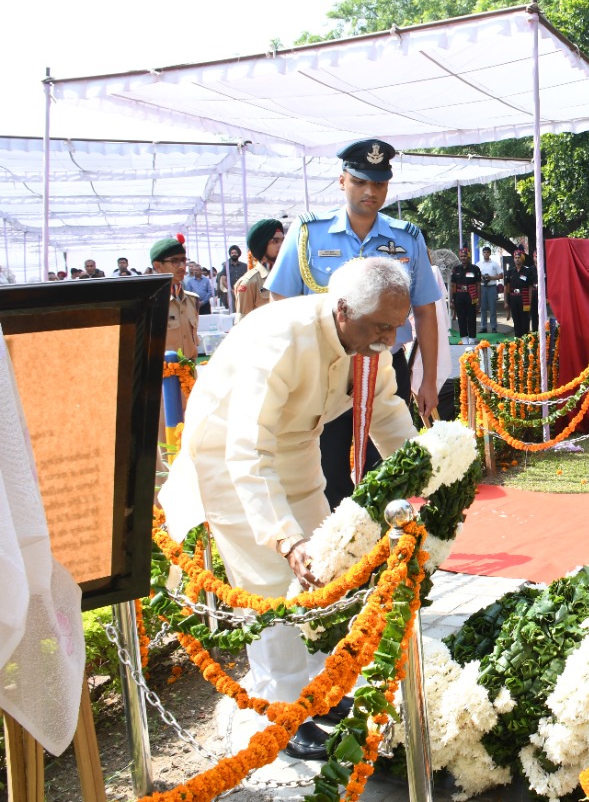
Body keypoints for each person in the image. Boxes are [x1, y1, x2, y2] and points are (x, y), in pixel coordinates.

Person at [158, 258, 420, 761]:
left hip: (298, 452)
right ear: (343, 310)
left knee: (322, 573)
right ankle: (279, 714)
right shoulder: (282, 336)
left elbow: (387, 413)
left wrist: (427, 482)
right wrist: (284, 537)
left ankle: (321, 694)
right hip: (231, 464)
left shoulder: (370, 340)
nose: (390, 338)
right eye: (382, 327)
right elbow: (247, 451)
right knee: (270, 587)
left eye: (396, 326)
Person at [265, 138, 441, 509]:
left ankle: (384, 548)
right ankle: (339, 553)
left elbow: (425, 310)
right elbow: (280, 302)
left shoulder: (406, 237)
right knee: (327, 466)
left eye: (378, 184)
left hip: (385, 367)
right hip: (324, 369)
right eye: (360, 181)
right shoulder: (308, 232)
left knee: (389, 469)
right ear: (342, 180)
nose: (369, 192)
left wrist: (427, 378)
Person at [151, 237, 200, 359]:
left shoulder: (192, 300)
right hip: (164, 375)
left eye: (183, 260)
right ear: (157, 266)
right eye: (175, 261)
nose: (182, 266)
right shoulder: (150, 303)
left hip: (189, 373)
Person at [235, 219, 285, 321]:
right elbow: (242, 324)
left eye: (282, 241)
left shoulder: (289, 276)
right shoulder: (249, 282)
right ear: (262, 245)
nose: (281, 246)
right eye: (275, 241)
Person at [450, 247, 482, 344]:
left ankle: (472, 337)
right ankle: (464, 337)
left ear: (468, 256)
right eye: (461, 256)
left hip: (471, 296)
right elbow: (453, 286)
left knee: (471, 317)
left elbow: (478, 285)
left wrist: (478, 300)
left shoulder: (475, 269)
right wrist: (452, 299)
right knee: (461, 317)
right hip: (459, 296)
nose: (463, 258)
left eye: (465, 256)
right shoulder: (456, 270)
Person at [504, 249, 538, 337]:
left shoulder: (527, 271)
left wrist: (529, 302)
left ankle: (525, 340)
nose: (517, 259)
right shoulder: (510, 272)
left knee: (525, 320)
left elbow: (530, 287)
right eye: (515, 257)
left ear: (522, 259)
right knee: (516, 320)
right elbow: (506, 288)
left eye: (519, 257)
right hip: (513, 298)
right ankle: (517, 339)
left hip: (524, 299)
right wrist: (506, 301)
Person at [220, 246, 247, 311]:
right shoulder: (226, 266)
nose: (234, 254)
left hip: (243, 291)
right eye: (232, 253)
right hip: (231, 292)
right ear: (230, 254)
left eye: (235, 253)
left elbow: (248, 278)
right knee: (233, 310)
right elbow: (223, 280)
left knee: (244, 309)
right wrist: (231, 290)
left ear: (238, 254)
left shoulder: (244, 266)